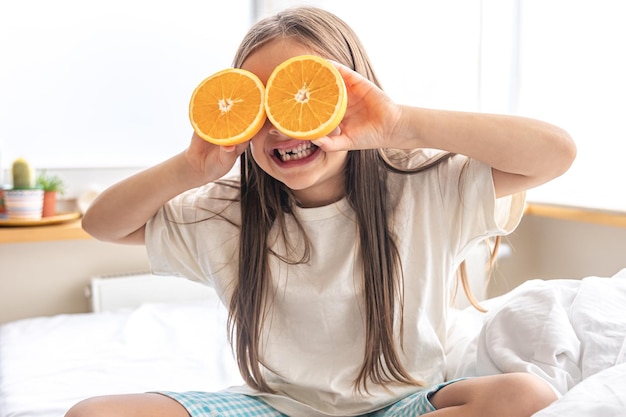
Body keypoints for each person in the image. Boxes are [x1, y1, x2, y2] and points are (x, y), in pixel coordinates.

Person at [67, 6, 576, 417]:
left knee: (527, 395)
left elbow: (556, 153)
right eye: (260, 110)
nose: (282, 129)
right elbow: (102, 224)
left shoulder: (425, 186)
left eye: (303, 100)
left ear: (353, 99)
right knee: (93, 413)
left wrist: (400, 124)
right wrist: (192, 166)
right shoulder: (226, 211)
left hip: (404, 405)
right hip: (275, 408)